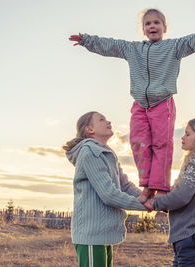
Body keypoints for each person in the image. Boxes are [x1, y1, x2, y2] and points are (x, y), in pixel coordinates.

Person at [69, 8, 195, 203]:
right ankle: (147, 186)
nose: (152, 26)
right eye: (147, 24)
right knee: (138, 143)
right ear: (143, 29)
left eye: (156, 23)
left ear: (165, 27)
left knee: (161, 144)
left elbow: (193, 41)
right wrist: (87, 41)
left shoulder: (174, 47)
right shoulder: (132, 49)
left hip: (163, 102)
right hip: (140, 104)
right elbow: (111, 45)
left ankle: (161, 187)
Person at [63, 111, 147, 267]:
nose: (108, 122)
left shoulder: (107, 152)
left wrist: (149, 198)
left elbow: (125, 185)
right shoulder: (89, 152)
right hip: (91, 235)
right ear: (89, 129)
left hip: (102, 235)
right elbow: (108, 194)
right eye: (102, 120)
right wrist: (145, 204)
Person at [144, 117, 195, 267]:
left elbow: (181, 196)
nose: (182, 137)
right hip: (194, 239)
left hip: (194, 238)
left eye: (188, 134)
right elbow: (182, 191)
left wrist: (156, 203)